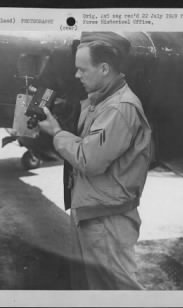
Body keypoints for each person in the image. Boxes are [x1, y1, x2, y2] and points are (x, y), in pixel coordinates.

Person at [38, 32, 152, 290]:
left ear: (104, 68)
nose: (76, 75)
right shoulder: (100, 102)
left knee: (119, 294)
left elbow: (89, 160)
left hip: (107, 222)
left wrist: (57, 132)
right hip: (92, 214)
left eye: (82, 69)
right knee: (90, 290)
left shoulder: (118, 108)